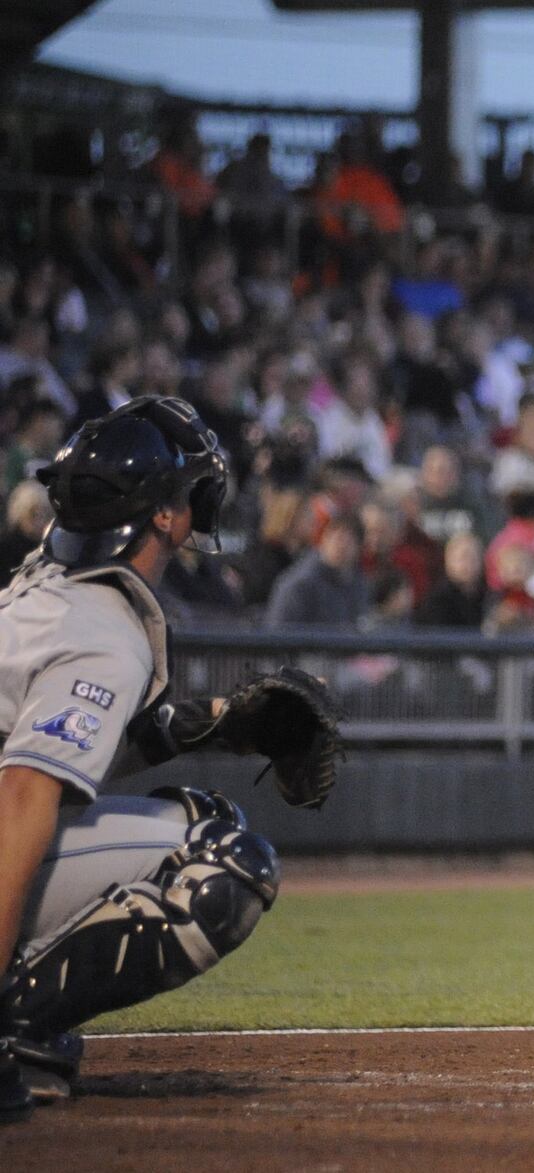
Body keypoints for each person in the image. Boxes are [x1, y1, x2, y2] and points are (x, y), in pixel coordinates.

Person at [0, 398, 283, 1121]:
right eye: (187, 488)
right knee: (223, 862)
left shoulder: (46, 582)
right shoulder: (101, 628)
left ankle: (23, 1034)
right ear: (164, 514)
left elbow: (60, 760)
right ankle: (11, 1027)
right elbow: (26, 795)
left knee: (199, 816)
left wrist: (208, 725)